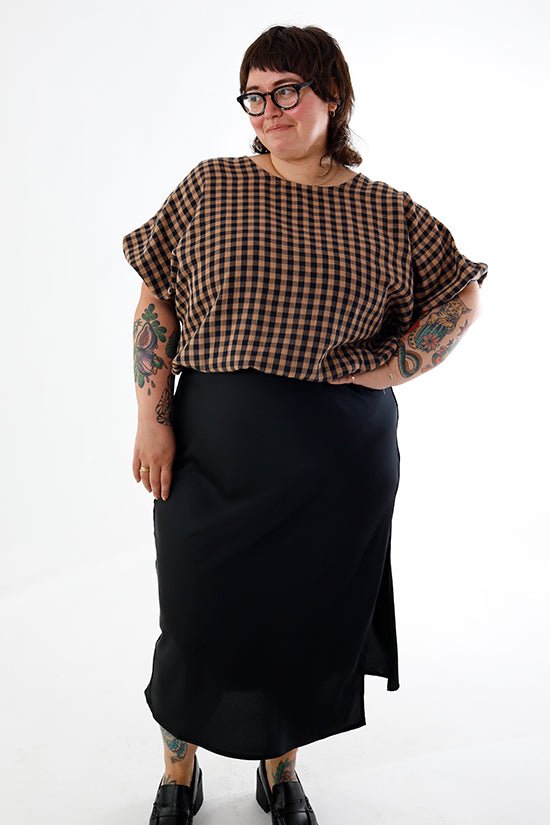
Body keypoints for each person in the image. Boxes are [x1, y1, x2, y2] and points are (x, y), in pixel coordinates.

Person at [122, 23, 488, 825]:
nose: (269, 109)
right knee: (195, 618)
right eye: (254, 95)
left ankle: (279, 770)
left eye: (286, 90)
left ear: (333, 95)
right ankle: (178, 771)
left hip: (336, 461)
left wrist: (393, 366)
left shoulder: (387, 210)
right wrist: (152, 417)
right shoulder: (212, 185)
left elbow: (461, 293)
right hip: (212, 447)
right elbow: (157, 300)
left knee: (299, 622)